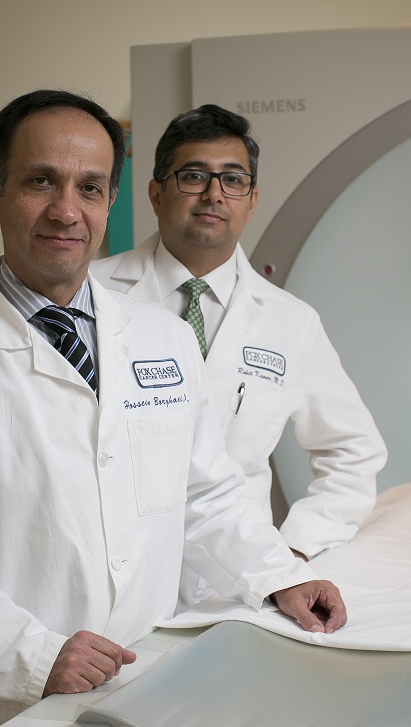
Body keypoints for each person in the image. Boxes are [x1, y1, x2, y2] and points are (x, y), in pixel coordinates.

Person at [0, 90, 346, 727]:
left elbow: (206, 493)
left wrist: (282, 575)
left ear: (111, 200)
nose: (66, 210)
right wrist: (36, 657)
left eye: (90, 187)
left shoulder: (161, 337)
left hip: (147, 686)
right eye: (41, 180)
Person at [91, 104, 387, 603]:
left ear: (252, 202)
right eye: (193, 176)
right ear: (156, 192)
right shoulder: (92, 294)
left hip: (238, 585)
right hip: (112, 576)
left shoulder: (291, 323)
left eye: (233, 180)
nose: (214, 194)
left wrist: (292, 551)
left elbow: (353, 451)